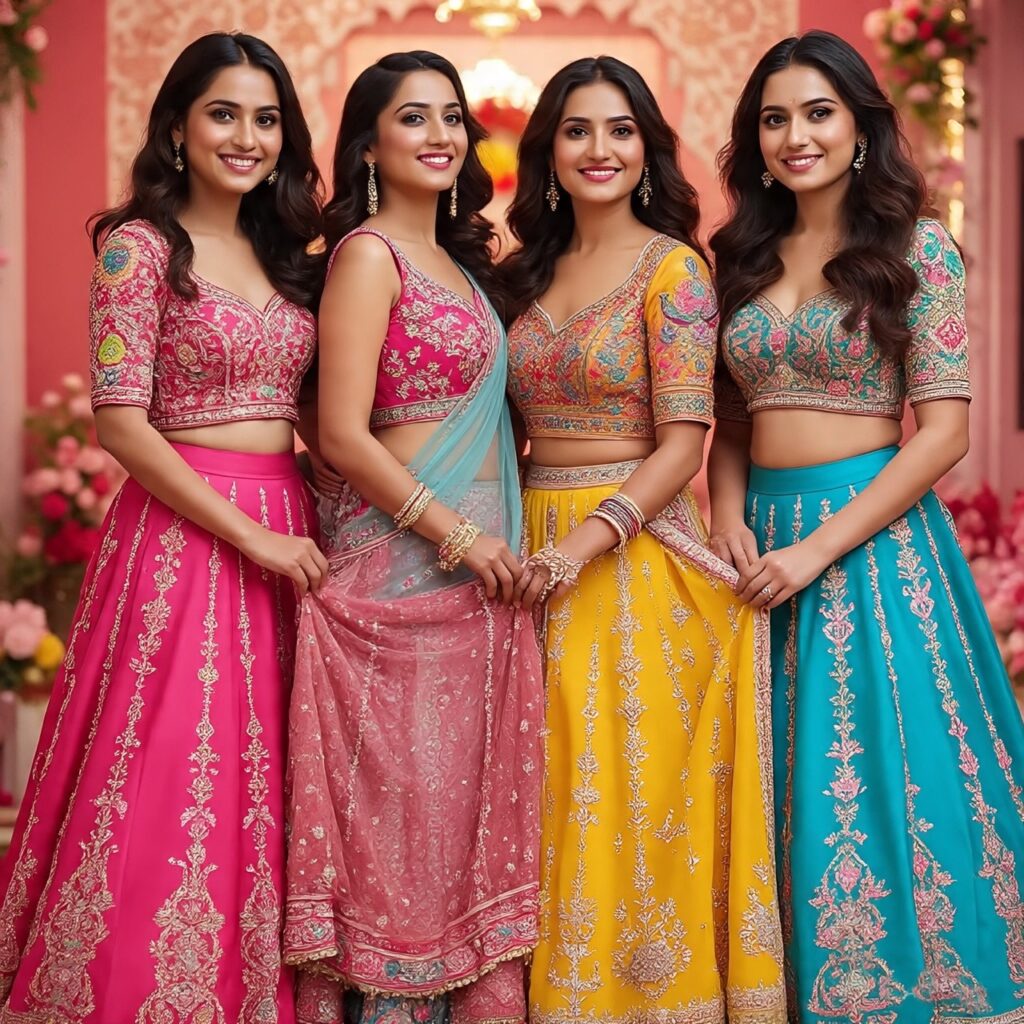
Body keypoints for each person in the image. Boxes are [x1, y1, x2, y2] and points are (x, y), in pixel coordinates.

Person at [0, 32, 327, 1023]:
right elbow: (121, 426)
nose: (246, 136)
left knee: (277, 769)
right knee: (169, 767)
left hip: (292, 513)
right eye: (223, 113)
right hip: (183, 533)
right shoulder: (138, 248)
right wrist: (253, 537)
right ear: (179, 127)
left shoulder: (290, 254)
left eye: (265, 117)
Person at [709, 29, 1024, 1023]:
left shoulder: (910, 247)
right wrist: (728, 518)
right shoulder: (740, 254)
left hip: (872, 547)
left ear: (858, 128)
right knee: (761, 775)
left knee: (879, 773)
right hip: (753, 547)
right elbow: (722, 420)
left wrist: (816, 546)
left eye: (815, 113)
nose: (793, 135)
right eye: (773, 118)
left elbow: (940, 436)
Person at [499, 55, 786, 1024]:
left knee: (619, 794)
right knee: (529, 789)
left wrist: (583, 543)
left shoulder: (675, 269)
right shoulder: (520, 272)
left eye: (620, 130)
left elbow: (685, 441)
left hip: (630, 554)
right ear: (547, 150)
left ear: (646, 148)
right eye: (578, 130)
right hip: (524, 545)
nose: (599, 149)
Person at [282, 51, 544, 1024]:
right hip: (396, 580)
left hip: (477, 591)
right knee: (398, 818)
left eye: (451, 118)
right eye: (413, 118)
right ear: (369, 142)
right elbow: (344, 432)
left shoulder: (465, 264)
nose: (439, 136)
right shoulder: (365, 255)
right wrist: (462, 536)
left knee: (457, 816)